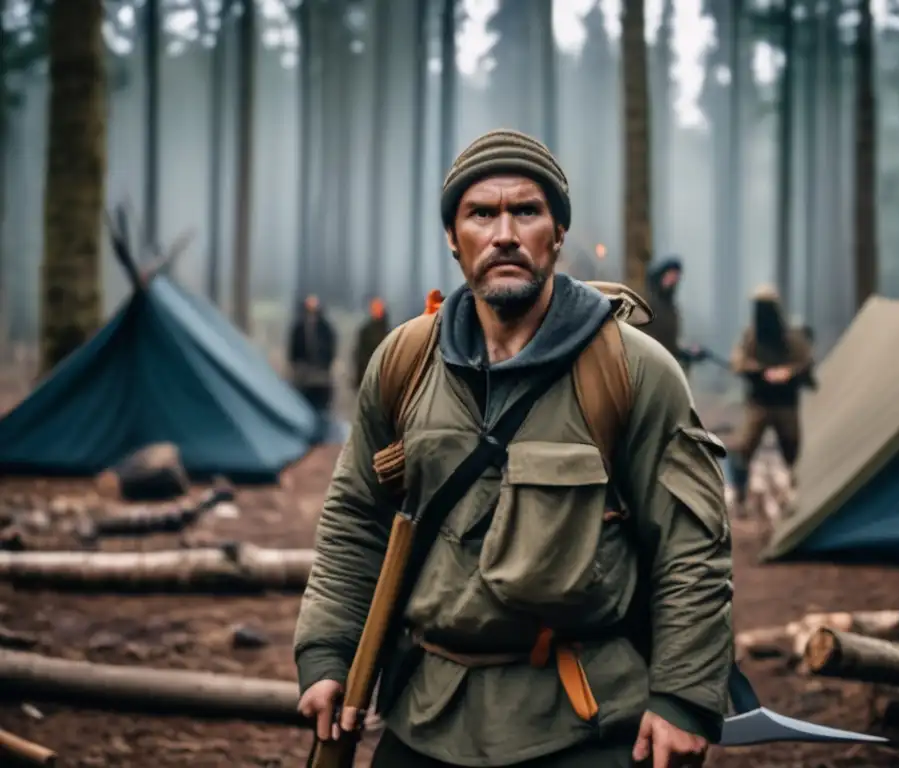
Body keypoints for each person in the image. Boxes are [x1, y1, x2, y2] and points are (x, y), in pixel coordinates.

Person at [294, 129, 732, 768]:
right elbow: (355, 518)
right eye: (480, 214)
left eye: (526, 211)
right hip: (425, 716)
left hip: (583, 723)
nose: (504, 233)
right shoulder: (405, 361)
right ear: (453, 237)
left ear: (557, 233)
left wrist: (683, 697)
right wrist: (328, 652)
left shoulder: (633, 371)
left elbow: (691, 546)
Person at [727, 285, 814, 504]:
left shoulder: (792, 338)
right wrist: (761, 371)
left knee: (792, 447)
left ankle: (793, 491)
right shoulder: (751, 336)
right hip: (759, 402)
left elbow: (805, 363)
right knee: (742, 448)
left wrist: (788, 372)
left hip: (785, 403)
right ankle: (740, 493)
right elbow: (738, 362)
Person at [643, 256, 703, 374]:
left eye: (676, 277)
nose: (674, 280)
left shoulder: (671, 309)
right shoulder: (648, 304)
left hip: (666, 367)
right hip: (650, 366)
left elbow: (671, 344)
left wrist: (687, 353)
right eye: (671, 275)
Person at [288, 294, 337, 412]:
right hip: (303, 374)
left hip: (320, 375)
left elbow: (330, 347)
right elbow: (293, 348)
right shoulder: (299, 328)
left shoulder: (325, 328)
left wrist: (325, 363)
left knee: (321, 407)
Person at [353, 297, 390, 390]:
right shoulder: (365, 331)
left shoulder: (389, 331)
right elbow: (360, 355)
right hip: (369, 374)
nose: (377, 311)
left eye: (379, 307)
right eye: (375, 308)